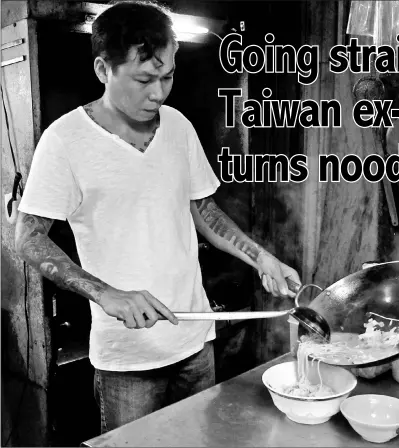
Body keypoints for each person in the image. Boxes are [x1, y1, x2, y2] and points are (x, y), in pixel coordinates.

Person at [14, 0, 301, 434]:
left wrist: (261, 258)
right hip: (127, 360)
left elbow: (203, 209)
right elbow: (28, 238)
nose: (158, 93)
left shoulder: (178, 127)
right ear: (102, 69)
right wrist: (105, 293)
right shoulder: (65, 141)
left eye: (167, 76)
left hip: (195, 343)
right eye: (144, 79)